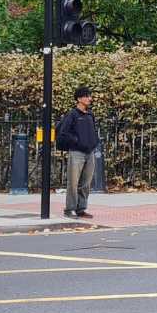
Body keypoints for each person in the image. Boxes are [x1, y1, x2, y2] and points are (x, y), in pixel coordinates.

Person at [56, 87, 99, 218]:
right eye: (86, 96)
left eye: (89, 96)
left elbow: (93, 131)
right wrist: (77, 141)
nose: (89, 99)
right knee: (73, 182)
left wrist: (94, 142)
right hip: (76, 153)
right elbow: (64, 133)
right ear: (79, 99)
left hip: (90, 152)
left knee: (86, 183)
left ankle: (81, 208)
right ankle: (70, 209)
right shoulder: (72, 115)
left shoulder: (90, 115)